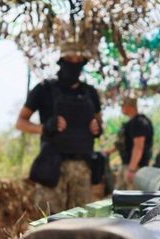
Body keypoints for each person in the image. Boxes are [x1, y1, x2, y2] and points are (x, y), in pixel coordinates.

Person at [16, 46, 103, 213]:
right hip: (52, 166)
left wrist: (97, 127)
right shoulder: (44, 88)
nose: (74, 65)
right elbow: (20, 122)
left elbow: (98, 123)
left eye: (79, 61)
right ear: (61, 61)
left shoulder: (90, 93)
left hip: (82, 167)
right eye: (70, 60)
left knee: (80, 225)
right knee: (49, 224)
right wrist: (44, 127)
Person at [118, 96, 154, 188]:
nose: (121, 108)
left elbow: (138, 146)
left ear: (130, 106)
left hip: (135, 167)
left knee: (131, 198)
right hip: (132, 165)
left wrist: (131, 170)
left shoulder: (138, 122)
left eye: (123, 106)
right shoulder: (134, 122)